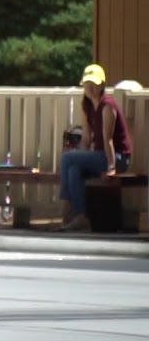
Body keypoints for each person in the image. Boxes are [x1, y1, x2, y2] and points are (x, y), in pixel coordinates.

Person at [58, 64, 131, 232]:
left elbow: (108, 139)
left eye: (94, 83)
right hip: (100, 155)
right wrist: (82, 156)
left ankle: (65, 207)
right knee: (74, 168)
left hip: (117, 158)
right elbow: (85, 139)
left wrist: (111, 168)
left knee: (68, 159)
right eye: (87, 83)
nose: (90, 88)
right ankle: (81, 217)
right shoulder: (87, 106)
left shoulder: (107, 106)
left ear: (102, 85)